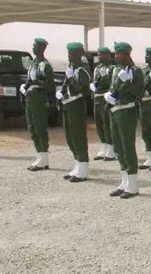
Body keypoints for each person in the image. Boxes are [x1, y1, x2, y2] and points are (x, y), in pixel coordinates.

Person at [105, 42, 145, 199]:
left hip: (127, 112)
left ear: (128, 55)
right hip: (114, 111)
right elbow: (112, 88)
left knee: (127, 147)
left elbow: (140, 94)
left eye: (119, 54)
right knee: (118, 147)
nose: (116, 56)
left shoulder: (136, 71)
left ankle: (133, 185)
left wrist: (128, 82)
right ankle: (124, 181)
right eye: (115, 53)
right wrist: (108, 96)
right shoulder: (115, 70)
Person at [57, 42, 92, 182]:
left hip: (77, 105)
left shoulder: (83, 69)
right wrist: (61, 92)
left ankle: (83, 169)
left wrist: (71, 79)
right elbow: (67, 84)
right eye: (68, 53)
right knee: (70, 136)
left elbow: (84, 90)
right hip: (68, 104)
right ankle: (77, 165)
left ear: (79, 54)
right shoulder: (72, 67)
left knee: (78, 136)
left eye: (72, 53)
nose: (69, 55)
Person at [21, 38, 55, 171]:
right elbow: (30, 80)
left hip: (38, 99)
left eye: (35, 46)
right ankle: (39, 156)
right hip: (30, 98)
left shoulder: (44, 65)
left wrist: (37, 82)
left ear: (42, 48)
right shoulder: (33, 63)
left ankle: (44, 159)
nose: (33, 48)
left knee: (40, 127)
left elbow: (50, 85)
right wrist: (25, 86)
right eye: (33, 46)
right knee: (32, 127)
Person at [91, 47, 117, 161]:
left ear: (108, 55)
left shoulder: (112, 69)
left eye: (102, 55)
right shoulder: (97, 68)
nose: (99, 57)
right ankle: (104, 147)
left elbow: (113, 84)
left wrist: (105, 77)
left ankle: (111, 149)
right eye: (98, 55)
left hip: (105, 98)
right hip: (97, 98)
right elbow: (94, 81)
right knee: (99, 124)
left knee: (107, 124)